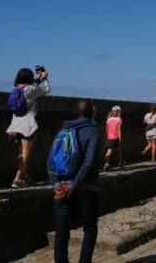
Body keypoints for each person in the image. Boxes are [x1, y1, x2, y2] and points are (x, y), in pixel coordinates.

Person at [49, 99, 100, 263]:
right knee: (90, 229)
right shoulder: (93, 131)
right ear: (92, 113)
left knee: (61, 231)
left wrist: (57, 185)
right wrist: (74, 184)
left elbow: (50, 160)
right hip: (86, 188)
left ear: (77, 112)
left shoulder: (63, 130)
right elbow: (90, 161)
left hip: (62, 187)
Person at [6, 67, 51, 188]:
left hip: (15, 125)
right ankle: (17, 179)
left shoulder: (16, 89)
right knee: (26, 153)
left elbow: (31, 86)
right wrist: (45, 79)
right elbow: (46, 91)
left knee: (21, 153)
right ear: (30, 78)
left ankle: (24, 174)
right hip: (28, 125)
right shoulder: (32, 89)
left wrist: (38, 79)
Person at [104, 106, 123, 171]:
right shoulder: (119, 119)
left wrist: (107, 135)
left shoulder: (109, 119)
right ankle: (120, 163)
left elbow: (107, 128)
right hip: (116, 137)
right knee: (119, 150)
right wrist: (120, 138)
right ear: (118, 112)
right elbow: (119, 129)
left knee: (109, 150)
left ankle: (107, 163)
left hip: (109, 137)